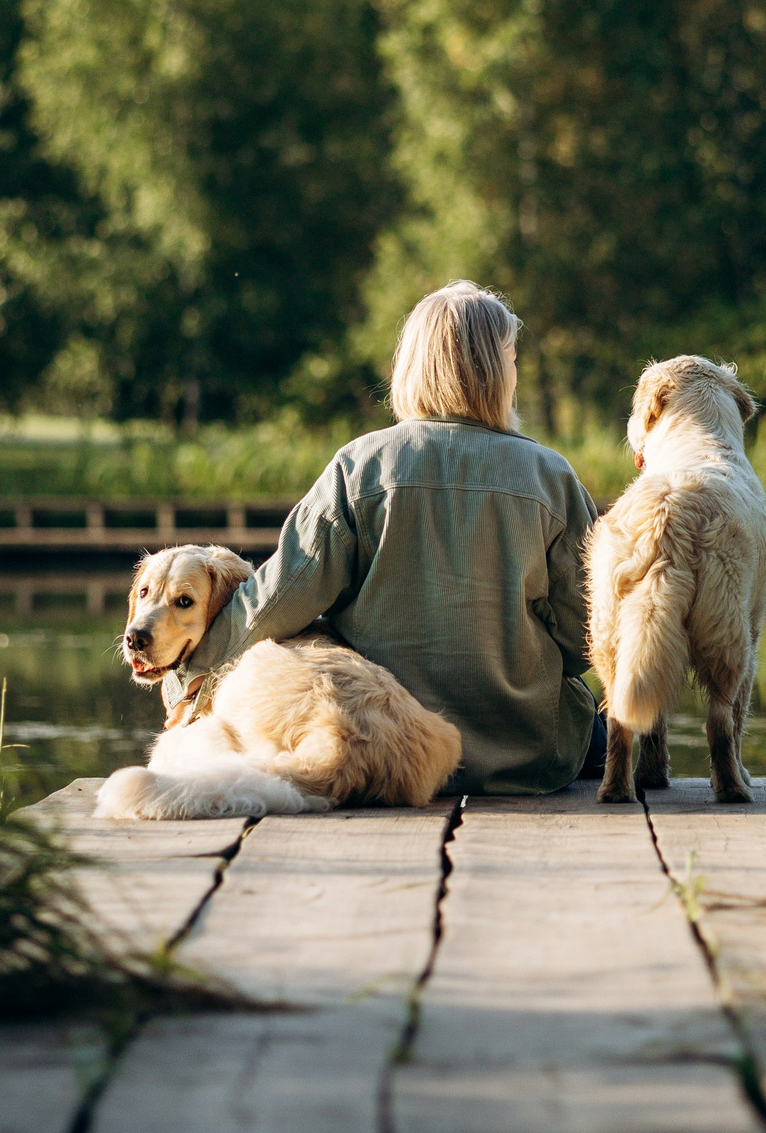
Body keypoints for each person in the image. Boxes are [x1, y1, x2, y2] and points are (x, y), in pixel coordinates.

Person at [164, 281, 600, 794]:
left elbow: (272, 605)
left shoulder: (359, 468)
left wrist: (184, 678)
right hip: (529, 758)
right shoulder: (552, 477)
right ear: (498, 371)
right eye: (513, 358)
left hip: (383, 750)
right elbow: (587, 638)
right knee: (598, 727)